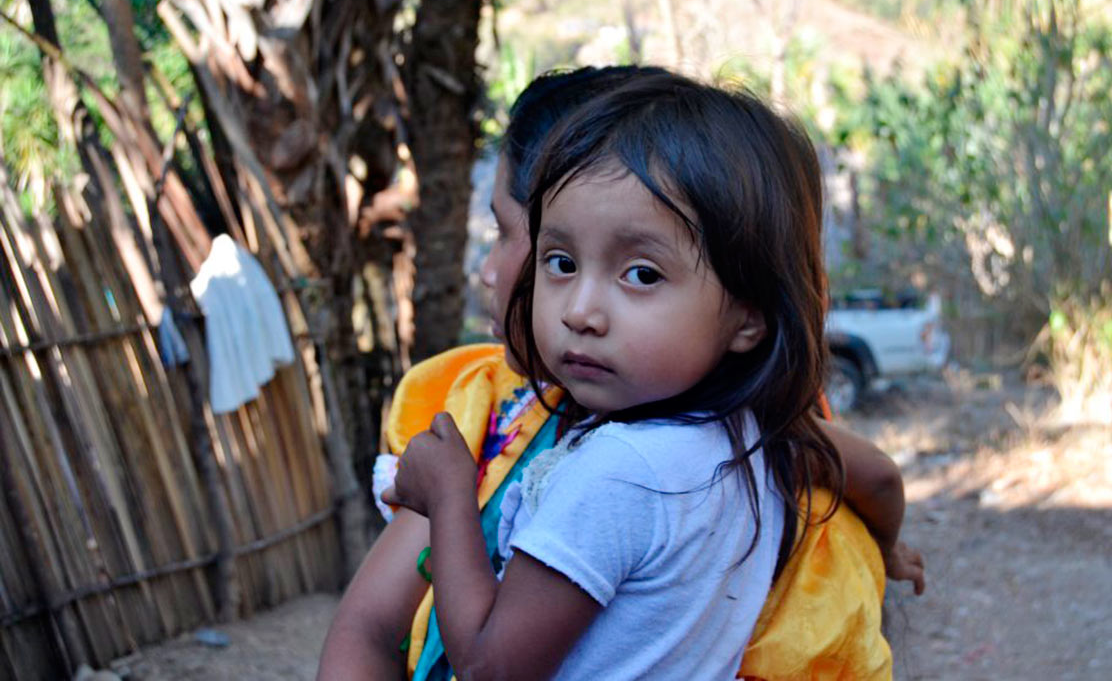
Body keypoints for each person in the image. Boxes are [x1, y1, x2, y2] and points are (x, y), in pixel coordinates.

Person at [317, 68, 923, 681]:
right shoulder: (748, 440)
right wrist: (889, 546)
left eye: (640, 274)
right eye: (562, 262)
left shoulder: (618, 473)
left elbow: (489, 669)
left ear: (749, 316)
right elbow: (874, 474)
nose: (580, 311)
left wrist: (449, 497)